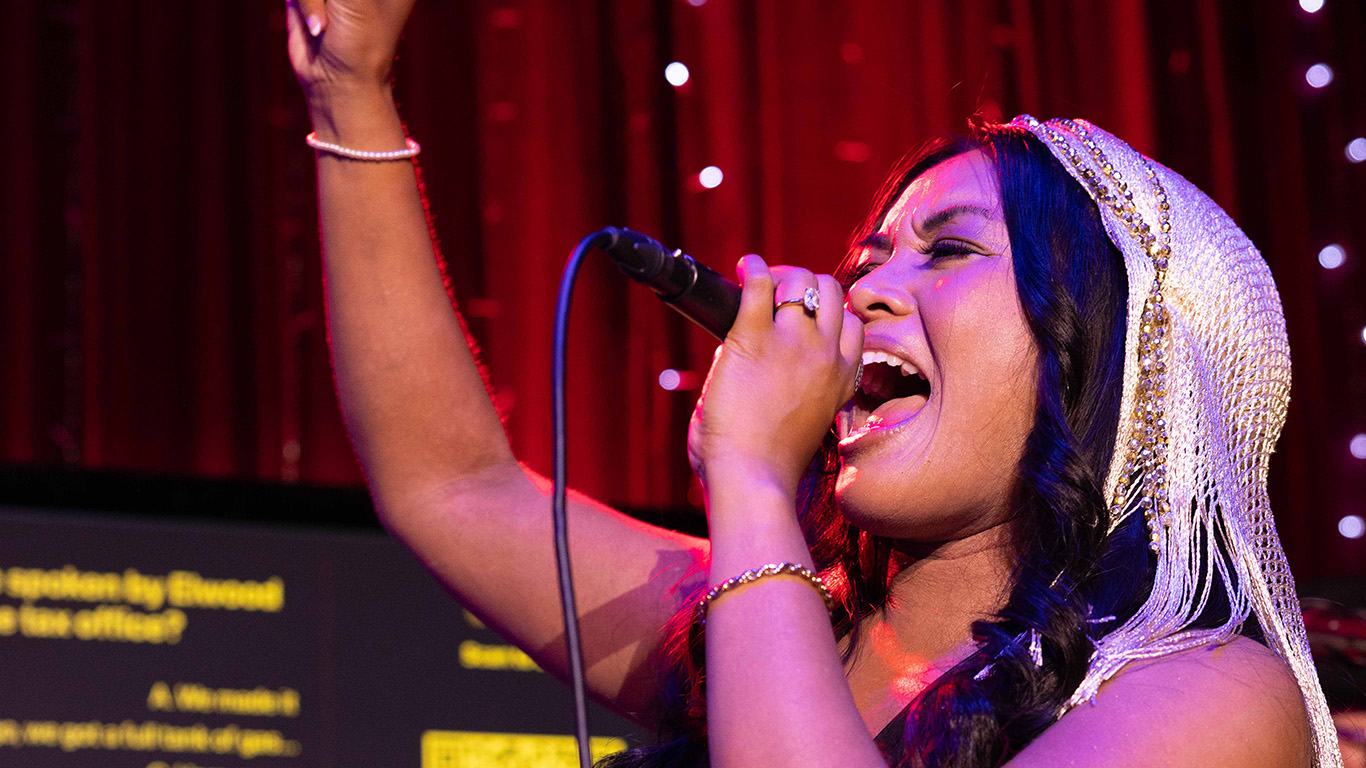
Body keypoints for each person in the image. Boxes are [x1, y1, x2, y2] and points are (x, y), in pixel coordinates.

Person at [285, 1, 1341, 766]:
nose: (862, 291)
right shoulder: (787, 627)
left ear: (1105, 352)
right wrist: (351, 93)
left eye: (949, 250)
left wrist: (748, 481)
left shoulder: (1210, 697)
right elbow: (451, 485)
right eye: (867, 259)